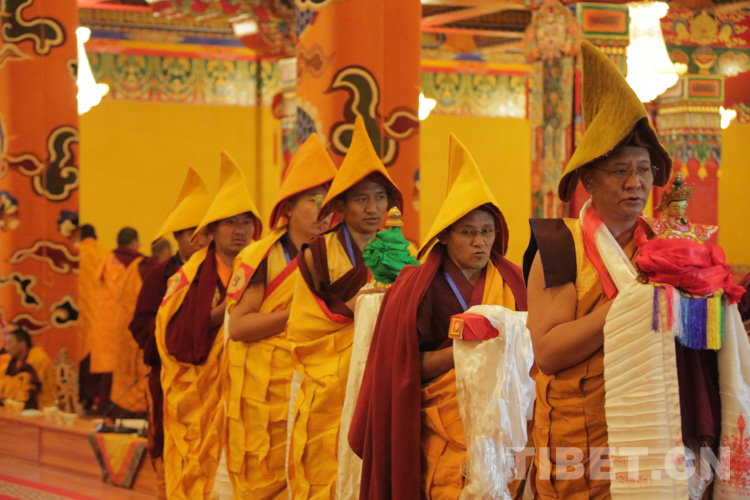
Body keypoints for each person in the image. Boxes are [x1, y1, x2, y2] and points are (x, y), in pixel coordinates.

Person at [350, 135, 528, 499]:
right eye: (468, 233)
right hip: (439, 430)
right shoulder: (414, 288)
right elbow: (404, 368)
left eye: (487, 232)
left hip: (504, 428)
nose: (480, 242)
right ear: (444, 235)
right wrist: (469, 351)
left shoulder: (512, 279)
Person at [285, 116, 402, 499]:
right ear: (341, 205)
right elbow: (304, 327)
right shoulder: (318, 254)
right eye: (361, 198)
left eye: (380, 198)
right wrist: (359, 305)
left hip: (379, 380)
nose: (373, 208)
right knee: (325, 473)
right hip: (329, 385)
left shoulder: (405, 253)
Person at [224, 133, 337, 498]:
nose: (324, 212)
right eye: (314, 202)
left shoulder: (336, 255)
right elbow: (239, 326)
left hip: (315, 387)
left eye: (329, 203)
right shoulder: (262, 255)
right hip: (264, 394)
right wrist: (301, 315)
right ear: (287, 208)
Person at [155, 152, 262, 499]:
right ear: (212, 230)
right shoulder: (190, 276)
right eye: (230, 223)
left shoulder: (261, 266)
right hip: (200, 391)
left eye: (246, 222)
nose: (240, 231)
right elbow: (179, 335)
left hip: (248, 387)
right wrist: (232, 310)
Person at [129, 167, 212, 499]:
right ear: (178, 236)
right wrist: (178, 336)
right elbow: (140, 325)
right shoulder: (161, 275)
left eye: (207, 231)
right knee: (170, 448)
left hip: (213, 377)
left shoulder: (224, 270)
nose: (202, 240)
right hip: (169, 379)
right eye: (193, 233)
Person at [87, 227, 144, 414]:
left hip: (104, 323)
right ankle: (117, 410)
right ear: (134, 242)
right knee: (124, 369)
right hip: (125, 322)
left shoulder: (106, 259)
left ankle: (103, 409)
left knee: (108, 369)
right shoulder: (136, 264)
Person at [77, 223, 109, 411]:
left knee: (82, 355)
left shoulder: (75, 254)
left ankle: (84, 400)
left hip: (81, 314)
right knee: (100, 359)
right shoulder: (105, 254)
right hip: (102, 315)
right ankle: (98, 400)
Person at [0, 323, 56, 410]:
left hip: (41, 407)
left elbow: (26, 390)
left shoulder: (37, 359)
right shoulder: (14, 359)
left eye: (10, 343)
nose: (7, 348)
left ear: (22, 343)